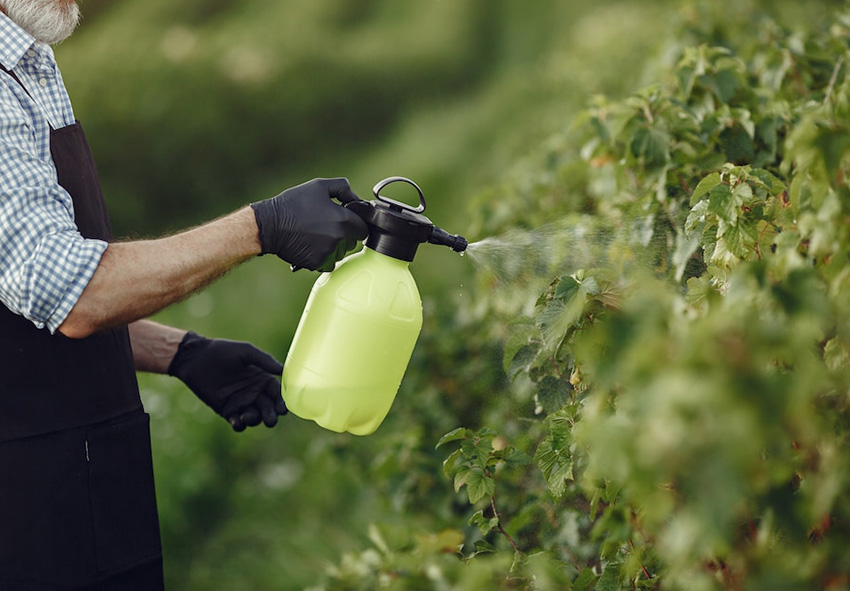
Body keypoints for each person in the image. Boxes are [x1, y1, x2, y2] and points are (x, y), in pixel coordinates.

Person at [0, 1, 368, 589]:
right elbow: (74, 291)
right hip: (28, 515)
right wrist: (260, 227)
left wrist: (181, 352)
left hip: (82, 483)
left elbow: (21, 295)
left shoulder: (30, 62)